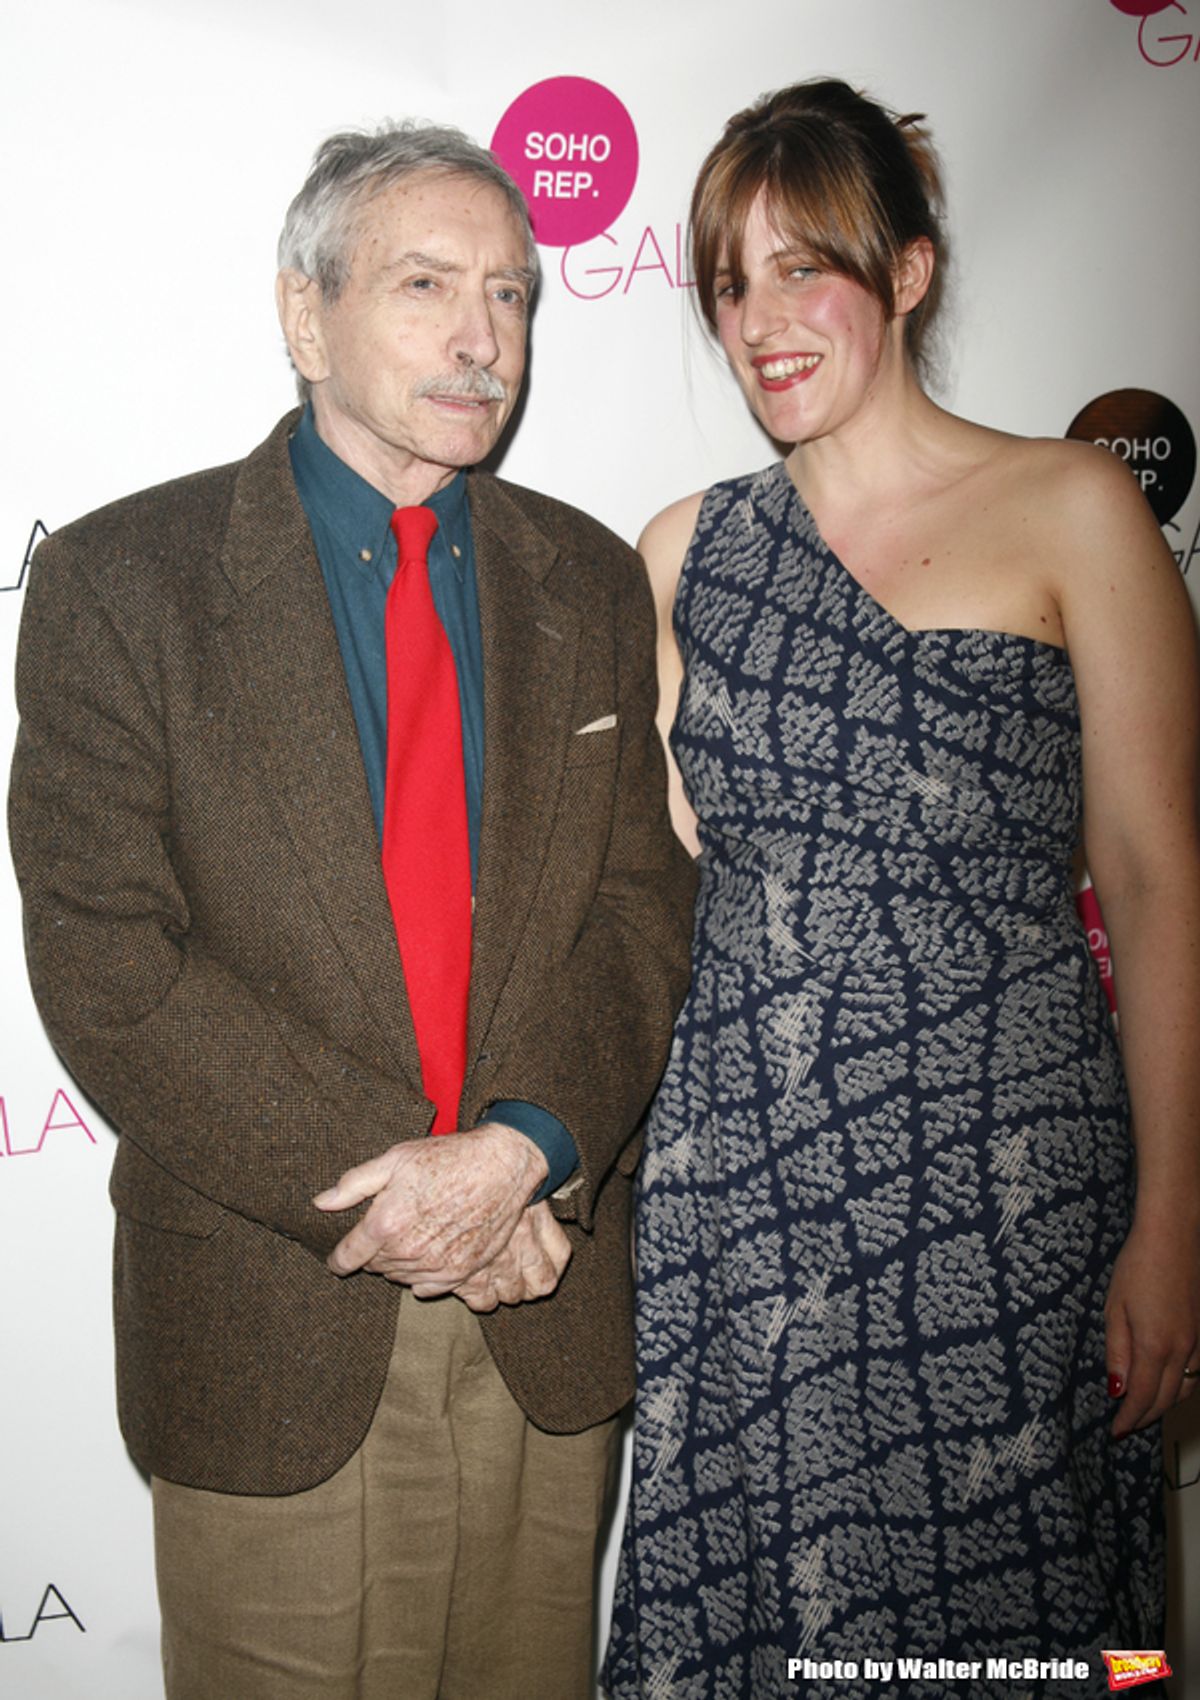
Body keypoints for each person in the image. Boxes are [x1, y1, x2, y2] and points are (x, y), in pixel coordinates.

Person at [9, 121, 695, 1700]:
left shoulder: (587, 579)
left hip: (543, 1288)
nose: (482, 339)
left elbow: (639, 912)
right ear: (304, 315)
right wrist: (410, 1200)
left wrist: (527, 1147)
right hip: (275, 1310)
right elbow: (106, 959)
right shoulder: (127, 581)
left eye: (513, 296)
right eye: (427, 284)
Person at [602, 79, 1200, 1699]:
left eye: (809, 269)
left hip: (1009, 1194)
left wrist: (1174, 1218)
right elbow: (634, 883)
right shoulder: (683, 554)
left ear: (911, 272)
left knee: (1027, 1623)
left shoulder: (1077, 509)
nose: (763, 320)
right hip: (752, 1193)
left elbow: (1154, 883)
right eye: (733, 282)